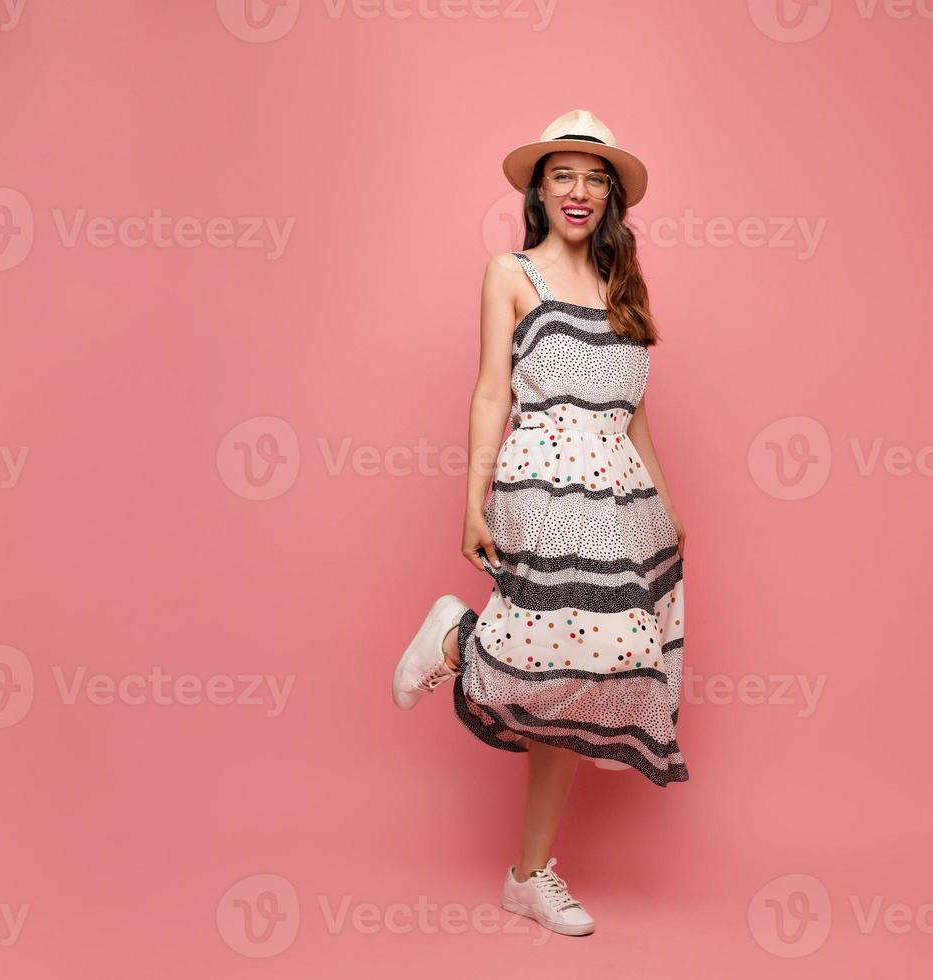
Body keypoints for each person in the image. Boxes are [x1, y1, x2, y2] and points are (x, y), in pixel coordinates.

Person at [391, 109, 688, 937]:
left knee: (584, 684)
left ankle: (528, 875)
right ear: (540, 189)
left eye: (596, 178)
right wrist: (471, 498)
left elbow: (634, 416)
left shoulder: (625, 285)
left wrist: (666, 509)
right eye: (565, 175)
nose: (580, 191)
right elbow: (492, 389)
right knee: (564, 648)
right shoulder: (511, 273)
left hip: (620, 491)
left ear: (612, 199)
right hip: (541, 474)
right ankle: (457, 641)